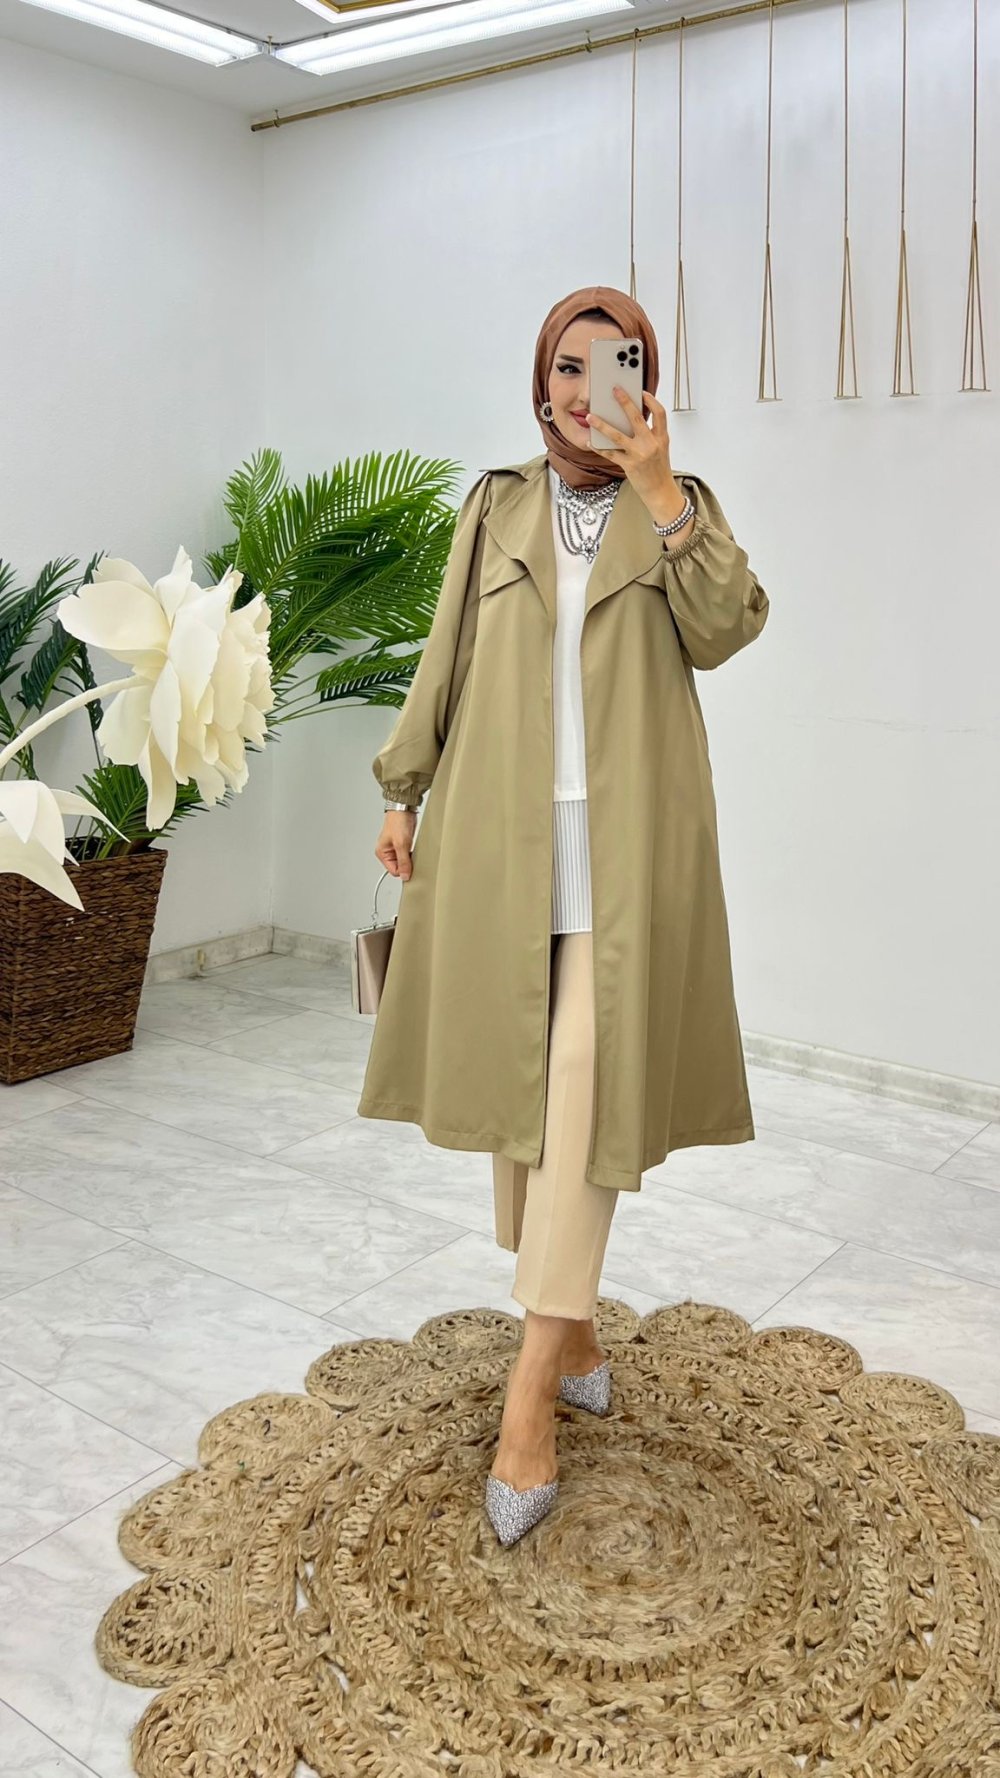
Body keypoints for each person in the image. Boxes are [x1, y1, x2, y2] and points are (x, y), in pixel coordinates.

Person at [359, 284, 770, 1546]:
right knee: (528, 1105)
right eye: (571, 367)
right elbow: (446, 656)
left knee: (583, 1093)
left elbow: (729, 628)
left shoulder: (679, 509)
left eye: (619, 363)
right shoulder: (492, 508)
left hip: (627, 855)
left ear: (649, 380)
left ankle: (529, 1397)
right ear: (542, 385)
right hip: (501, 843)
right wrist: (402, 788)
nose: (594, 391)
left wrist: (662, 492)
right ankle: (578, 1326)